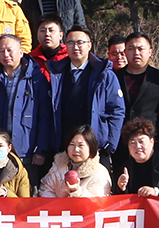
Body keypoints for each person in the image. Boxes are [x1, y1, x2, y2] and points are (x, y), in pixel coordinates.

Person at [38, 124, 113, 228]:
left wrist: (76, 191)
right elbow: (45, 188)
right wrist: (56, 206)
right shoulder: (59, 165)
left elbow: (99, 204)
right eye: (72, 145)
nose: (75, 150)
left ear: (91, 148)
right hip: (59, 217)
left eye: (81, 145)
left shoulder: (100, 172)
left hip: (85, 221)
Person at [0, 32, 55, 182]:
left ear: (21, 52)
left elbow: (45, 116)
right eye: (1, 51)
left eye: (9, 50)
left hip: (26, 148)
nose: (5, 54)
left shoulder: (37, 79)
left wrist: (41, 150)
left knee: (27, 196)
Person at [54, 25, 126, 166]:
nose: (76, 47)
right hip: (65, 147)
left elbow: (117, 110)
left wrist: (110, 144)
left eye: (80, 43)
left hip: (96, 147)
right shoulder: (56, 74)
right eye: (71, 43)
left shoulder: (104, 74)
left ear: (89, 46)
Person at [118, 31, 159, 155]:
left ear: (150, 52)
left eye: (141, 49)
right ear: (125, 52)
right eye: (131, 48)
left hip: (151, 142)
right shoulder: (114, 77)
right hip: (121, 143)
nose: (136, 53)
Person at [111, 117, 159, 201]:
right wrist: (121, 188)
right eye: (132, 143)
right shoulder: (125, 167)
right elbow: (117, 201)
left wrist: (156, 192)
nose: (137, 146)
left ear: (152, 141)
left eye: (141, 142)